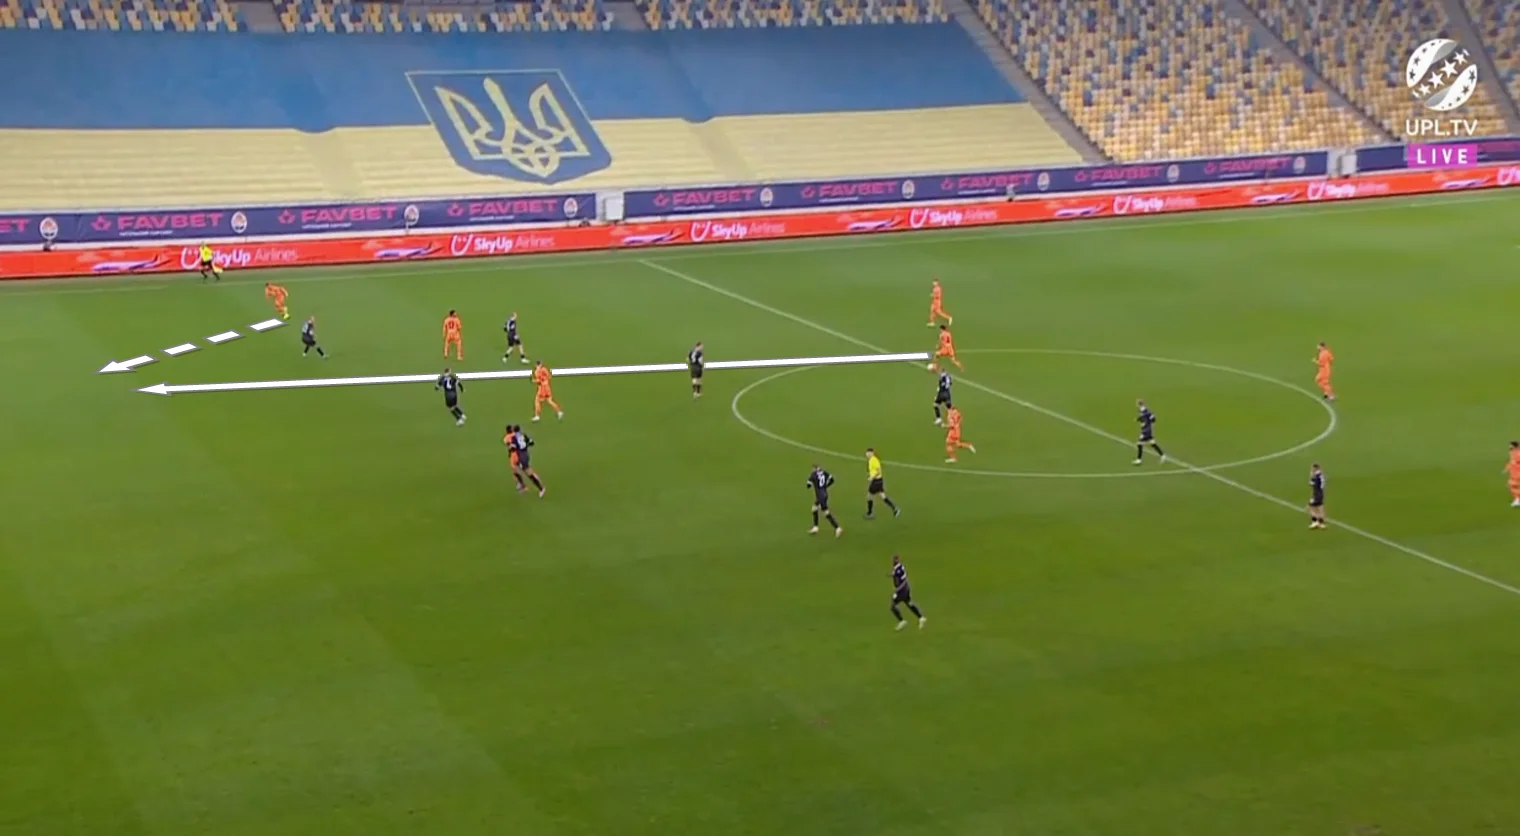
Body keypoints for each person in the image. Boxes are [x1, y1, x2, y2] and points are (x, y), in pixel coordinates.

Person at [890, 554, 926, 631]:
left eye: (894, 560)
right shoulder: (900, 567)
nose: (893, 561)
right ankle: (921, 618)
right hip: (906, 589)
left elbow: (900, 579)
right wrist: (892, 574)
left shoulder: (897, 570)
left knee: (893, 605)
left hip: (902, 591)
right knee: (909, 603)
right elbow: (899, 575)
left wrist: (897, 589)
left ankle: (902, 621)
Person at [805, 464, 842, 537]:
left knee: (826, 513)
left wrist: (812, 484)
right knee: (814, 509)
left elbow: (808, 485)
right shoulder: (824, 472)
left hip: (820, 496)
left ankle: (837, 528)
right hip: (824, 494)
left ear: (814, 469)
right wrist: (825, 486)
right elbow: (832, 479)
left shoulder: (813, 474)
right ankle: (815, 527)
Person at [864, 448, 900, 519]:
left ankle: (870, 513)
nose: (866, 454)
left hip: (876, 481)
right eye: (866, 453)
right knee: (883, 496)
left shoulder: (874, 460)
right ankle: (895, 509)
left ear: (872, 453)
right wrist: (870, 475)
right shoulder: (871, 460)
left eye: (868, 453)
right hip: (879, 481)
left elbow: (879, 471)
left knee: (869, 496)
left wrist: (872, 477)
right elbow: (873, 470)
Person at [1134, 399, 1165, 465]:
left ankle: (1139, 460)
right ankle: (1162, 455)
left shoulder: (1146, 412)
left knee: (1139, 444)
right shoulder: (1142, 411)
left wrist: (1147, 424)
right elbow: (1144, 418)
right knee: (1153, 443)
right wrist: (1138, 419)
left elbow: (1152, 419)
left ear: (1139, 404)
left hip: (1146, 431)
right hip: (1147, 430)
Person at [1308, 463, 1326, 528]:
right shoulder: (1321, 475)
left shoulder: (1317, 476)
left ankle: (1315, 522)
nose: (1312, 469)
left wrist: (1311, 476)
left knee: (1310, 507)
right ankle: (1321, 523)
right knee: (1320, 507)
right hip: (1321, 493)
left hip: (1317, 494)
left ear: (1316, 468)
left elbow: (1312, 484)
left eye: (1313, 468)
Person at [1506, 441, 1520, 508]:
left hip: (1517, 473)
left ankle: (1517, 500)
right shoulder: (1513, 452)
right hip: (1514, 472)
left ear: (1514, 446)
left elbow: (1514, 462)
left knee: (1512, 485)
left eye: (1510, 445)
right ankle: (1517, 499)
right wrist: (1507, 468)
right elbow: (1511, 462)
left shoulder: (1517, 453)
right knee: (1512, 486)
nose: (1509, 446)